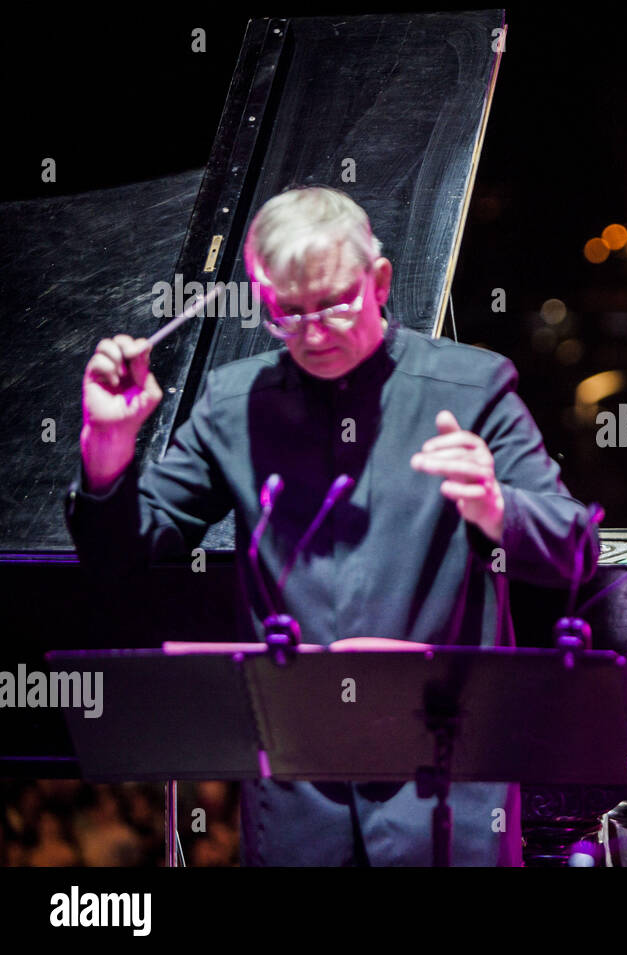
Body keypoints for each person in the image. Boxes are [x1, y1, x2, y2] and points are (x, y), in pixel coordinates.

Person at [66, 185, 599, 865]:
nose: (313, 332)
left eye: (333, 305)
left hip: (445, 790)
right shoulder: (236, 404)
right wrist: (106, 450)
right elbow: (124, 557)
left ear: (378, 281)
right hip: (297, 797)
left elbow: (575, 549)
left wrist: (500, 510)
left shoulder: (473, 388)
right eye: (288, 313)